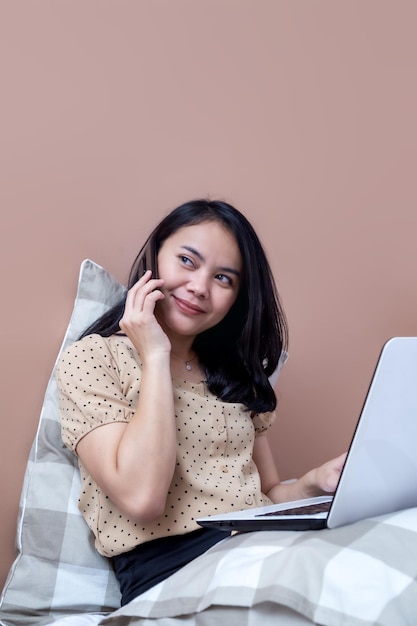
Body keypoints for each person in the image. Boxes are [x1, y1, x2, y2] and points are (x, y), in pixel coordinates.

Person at [57, 198, 345, 606]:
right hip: (170, 573)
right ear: (155, 256)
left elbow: (265, 496)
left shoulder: (233, 379)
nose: (199, 287)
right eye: (188, 261)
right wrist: (155, 356)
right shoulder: (93, 359)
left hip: (256, 547)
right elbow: (142, 498)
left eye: (224, 279)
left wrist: (316, 481)